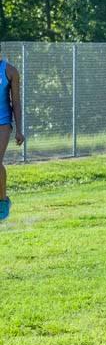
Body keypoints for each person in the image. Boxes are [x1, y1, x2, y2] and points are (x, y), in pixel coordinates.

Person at [0, 52, 25, 221]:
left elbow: (15, 101)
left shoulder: (10, 71)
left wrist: (19, 130)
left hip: (3, 122)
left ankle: (3, 202)